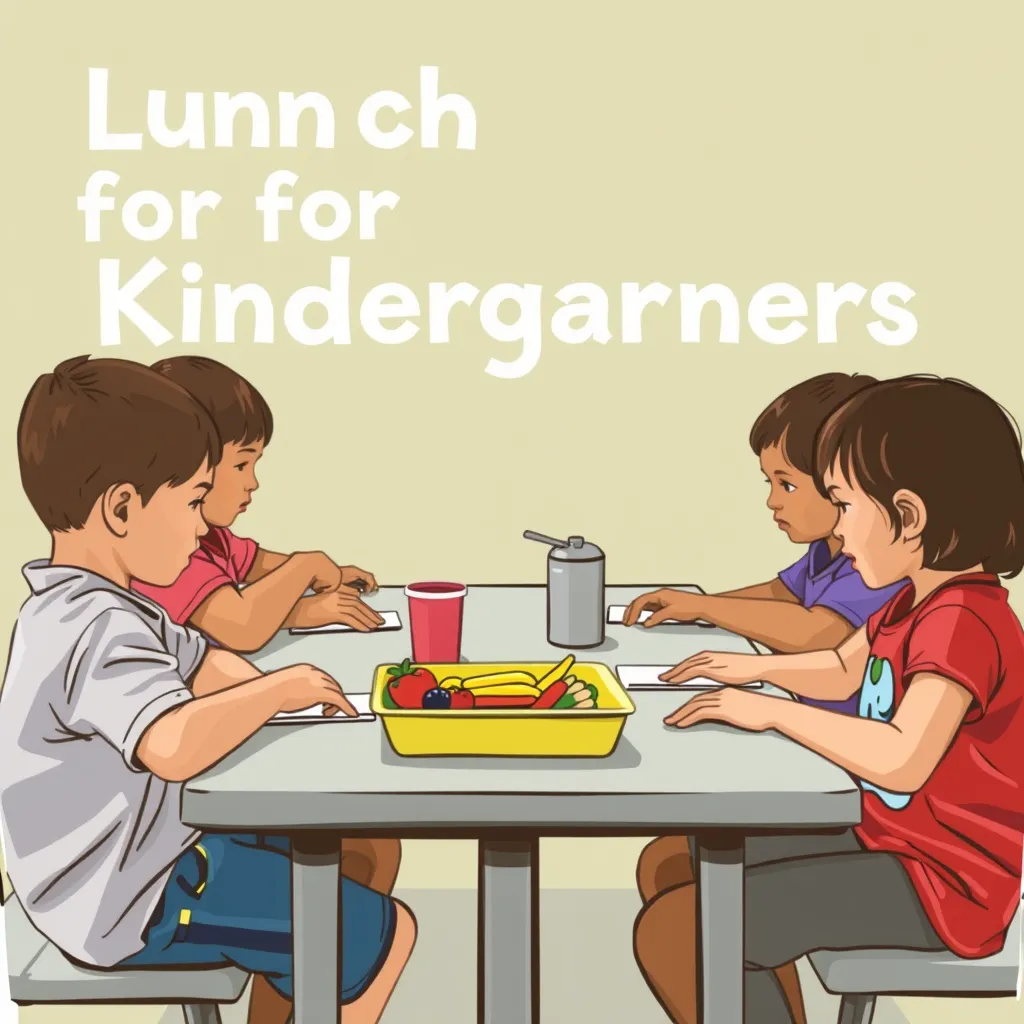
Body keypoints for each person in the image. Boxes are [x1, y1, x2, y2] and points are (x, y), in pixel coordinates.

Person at [0, 356, 415, 1024]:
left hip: (119, 864)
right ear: (123, 508)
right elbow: (169, 745)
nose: (203, 528)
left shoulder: (98, 603)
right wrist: (278, 692)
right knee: (386, 935)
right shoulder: (97, 625)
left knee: (353, 850)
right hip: (126, 896)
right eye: (193, 501)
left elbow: (203, 663)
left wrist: (286, 697)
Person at [633, 375, 1024, 1024]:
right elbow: (844, 668)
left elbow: (903, 758)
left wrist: (770, 709)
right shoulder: (912, 600)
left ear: (908, 515)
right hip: (889, 840)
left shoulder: (964, 621)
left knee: (681, 928)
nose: (837, 532)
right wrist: (737, 671)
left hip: (941, 883)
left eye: (844, 507)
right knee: (675, 859)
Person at [630, 373, 904, 1023]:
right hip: (856, 803)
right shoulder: (842, 557)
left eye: (790, 484)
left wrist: (759, 688)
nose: (773, 501)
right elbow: (810, 626)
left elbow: (823, 632)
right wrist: (704, 611)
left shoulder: (898, 584)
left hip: (888, 832)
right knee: (672, 861)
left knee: (680, 923)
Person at [132, 357, 402, 939]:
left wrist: (311, 591)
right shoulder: (166, 554)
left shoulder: (211, 537)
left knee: (370, 845)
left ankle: (306, 982)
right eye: (242, 464)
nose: (253, 483)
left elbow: (253, 577)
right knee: (365, 875)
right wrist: (306, 570)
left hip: (231, 763)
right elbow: (241, 624)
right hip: (188, 809)